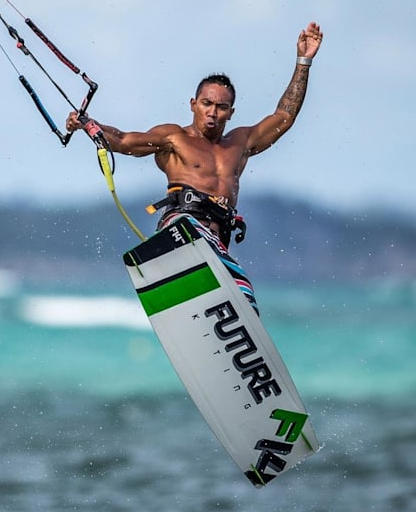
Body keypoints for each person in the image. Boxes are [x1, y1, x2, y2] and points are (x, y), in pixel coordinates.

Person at [66, 22, 323, 309]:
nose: (212, 112)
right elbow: (124, 140)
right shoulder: (174, 138)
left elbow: (284, 117)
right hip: (182, 228)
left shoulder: (240, 143)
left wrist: (303, 62)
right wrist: (88, 124)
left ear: (231, 112)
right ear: (193, 104)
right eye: (206, 103)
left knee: (245, 298)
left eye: (221, 107)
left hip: (217, 244)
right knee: (199, 237)